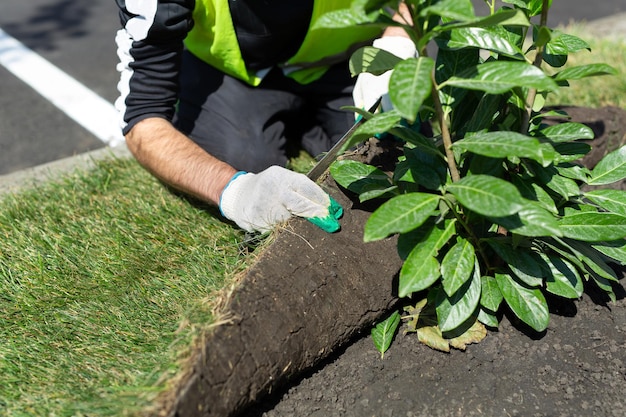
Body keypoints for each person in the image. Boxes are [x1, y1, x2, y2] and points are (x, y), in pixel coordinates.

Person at [114, 0, 415, 233]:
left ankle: (305, 118)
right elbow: (142, 115)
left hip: (346, 56)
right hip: (230, 72)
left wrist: (398, 42)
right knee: (245, 160)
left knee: (400, 157)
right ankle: (297, 119)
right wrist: (232, 191)